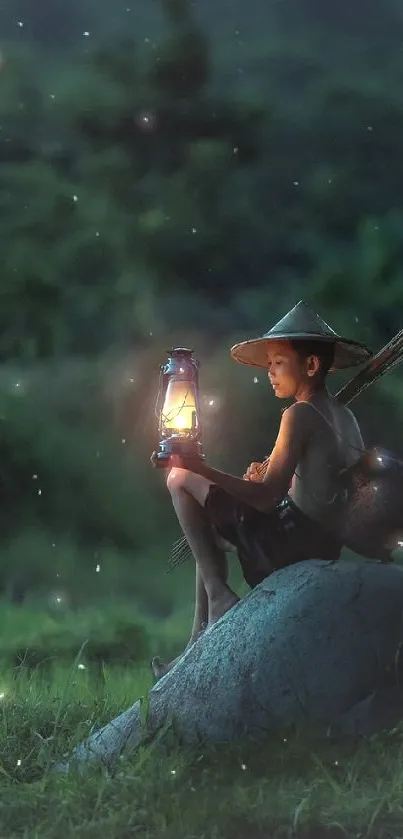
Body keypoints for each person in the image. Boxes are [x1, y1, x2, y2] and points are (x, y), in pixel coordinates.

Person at [150, 300, 372, 679]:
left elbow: (267, 498)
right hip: (320, 541)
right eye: (269, 364)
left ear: (312, 365)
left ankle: (219, 600)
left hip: (289, 545)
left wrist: (198, 466)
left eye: (278, 363)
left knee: (178, 479)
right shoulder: (344, 416)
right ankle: (194, 644)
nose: (270, 373)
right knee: (205, 536)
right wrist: (270, 479)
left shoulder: (298, 415)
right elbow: (319, 486)